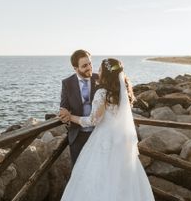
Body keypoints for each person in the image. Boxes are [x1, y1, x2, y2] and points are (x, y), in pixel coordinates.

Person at [60, 58, 155, 201]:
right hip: (121, 141)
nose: (96, 72)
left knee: (97, 179)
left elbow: (93, 120)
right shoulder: (123, 92)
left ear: (106, 73)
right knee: (122, 178)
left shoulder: (102, 93)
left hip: (103, 140)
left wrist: (70, 117)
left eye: (99, 70)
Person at [60, 49, 99, 166]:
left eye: (90, 63)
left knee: (98, 170)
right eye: (84, 66)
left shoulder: (99, 78)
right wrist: (64, 114)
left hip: (98, 134)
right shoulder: (67, 83)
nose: (89, 67)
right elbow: (63, 108)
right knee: (79, 172)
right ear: (75, 68)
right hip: (77, 136)